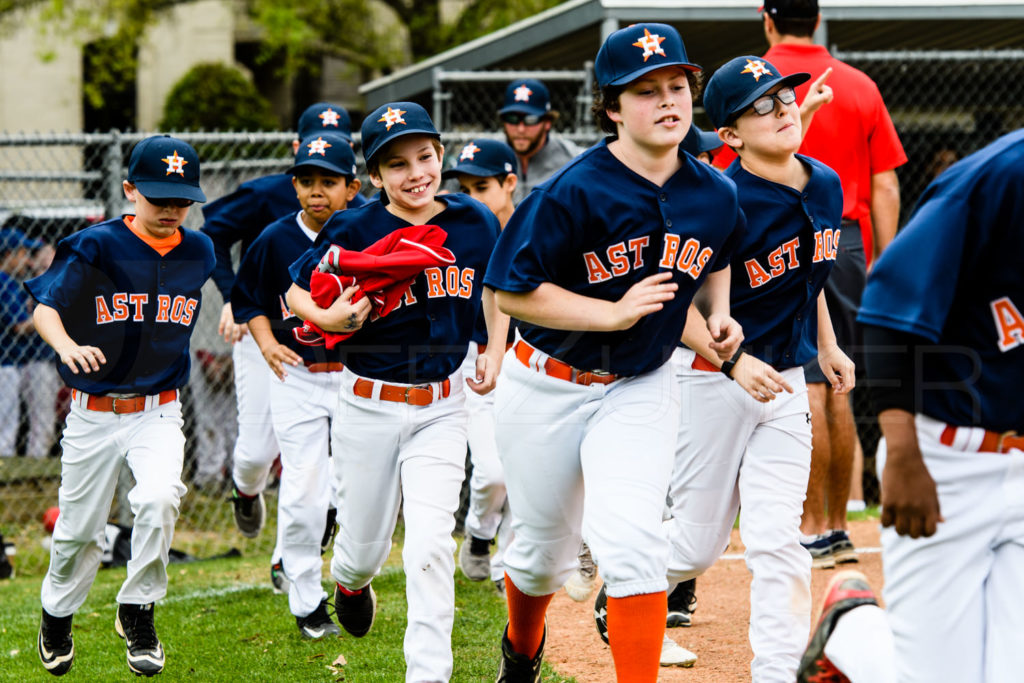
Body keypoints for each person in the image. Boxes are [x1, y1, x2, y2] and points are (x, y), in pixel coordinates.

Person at [485, 23, 744, 682]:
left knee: (633, 544)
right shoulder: (572, 190)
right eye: (645, 90)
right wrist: (613, 311)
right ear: (611, 108)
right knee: (543, 556)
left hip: (640, 384)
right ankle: (521, 647)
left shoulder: (714, 191)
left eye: (677, 85)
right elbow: (513, 292)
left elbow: (718, 251)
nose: (668, 100)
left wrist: (719, 313)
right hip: (545, 383)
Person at [286, 102, 509, 682]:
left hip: (443, 404)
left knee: (431, 544)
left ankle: (427, 674)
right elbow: (295, 289)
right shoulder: (355, 227)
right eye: (397, 164)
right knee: (361, 549)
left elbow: (498, 287)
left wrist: (494, 344)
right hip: (367, 402)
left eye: (425, 157)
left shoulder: (473, 221)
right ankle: (350, 582)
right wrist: (326, 318)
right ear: (376, 176)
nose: (416, 173)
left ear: (440, 156)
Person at [656, 55, 854, 683]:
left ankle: (777, 671)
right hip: (710, 379)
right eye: (761, 105)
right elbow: (677, 304)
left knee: (778, 540)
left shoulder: (824, 183)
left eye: (786, 98)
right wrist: (734, 359)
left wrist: (827, 346)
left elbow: (811, 275)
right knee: (696, 546)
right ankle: (629, 576)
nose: (784, 109)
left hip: (786, 381)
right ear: (731, 135)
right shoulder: (719, 200)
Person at [713, 0, 907, 568]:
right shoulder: (858, 84)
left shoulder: (755, 75)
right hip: (846, 238)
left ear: (768, 19)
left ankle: (811, 524)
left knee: (814, 378)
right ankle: (837, 522)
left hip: (806, 238)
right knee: (831, 384)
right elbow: (886, 184)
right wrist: (881, 264)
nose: (780, 108)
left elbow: (759, 164)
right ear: (817, 19)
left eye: (784, 100)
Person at [27, 135, 214, 677]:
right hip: (93, 411)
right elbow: (45, 308)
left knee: (158, 499)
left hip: (159, 408)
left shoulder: (198, 251)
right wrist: (66, 346)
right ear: (129, 190)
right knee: (79, 531)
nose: (172, 210)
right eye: (158, 199)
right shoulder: (96, 246)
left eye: (182, 200)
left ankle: (137, 608)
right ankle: (57, 613)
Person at [855, 128, 1024, 683]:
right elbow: (885, 311)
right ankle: (851, 636)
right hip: (947, 461)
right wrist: (900, 450)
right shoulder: (992, 180)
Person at [201, 102, 361, 589]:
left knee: (312, 458)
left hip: (333, 352)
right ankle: (246, 491)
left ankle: (287, 557)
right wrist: (234, 299)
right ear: (295, 154)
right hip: (266, 335)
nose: (318, 184)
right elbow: (211, 231)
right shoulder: (270, 194)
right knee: (253, 453)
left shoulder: (361, 212)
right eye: (308, 162)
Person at [443, 139, 518, 596]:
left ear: (510, 184)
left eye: (483, 186)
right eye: (465, 188)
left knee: (525, 469)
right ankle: (479, 532)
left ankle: (505, 566)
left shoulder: (536, 225)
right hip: (474, 358)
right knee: (492, 470)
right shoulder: (459, 235)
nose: (472, 198)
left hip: (531, 358)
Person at [498, 78, 583, 203]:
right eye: (512, 118)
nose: (521, 129)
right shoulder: (490, 156)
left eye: (530, 119)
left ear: (547, 122)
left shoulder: (572, 158)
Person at [0, 228, 43, 457]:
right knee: (6, 425)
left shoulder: (9, 282)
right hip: (4, 364)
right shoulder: (4, 281)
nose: (27, 260)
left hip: (7, 362)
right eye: (22, 253)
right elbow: (19, 326)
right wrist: (48, 315)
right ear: (8, 254)